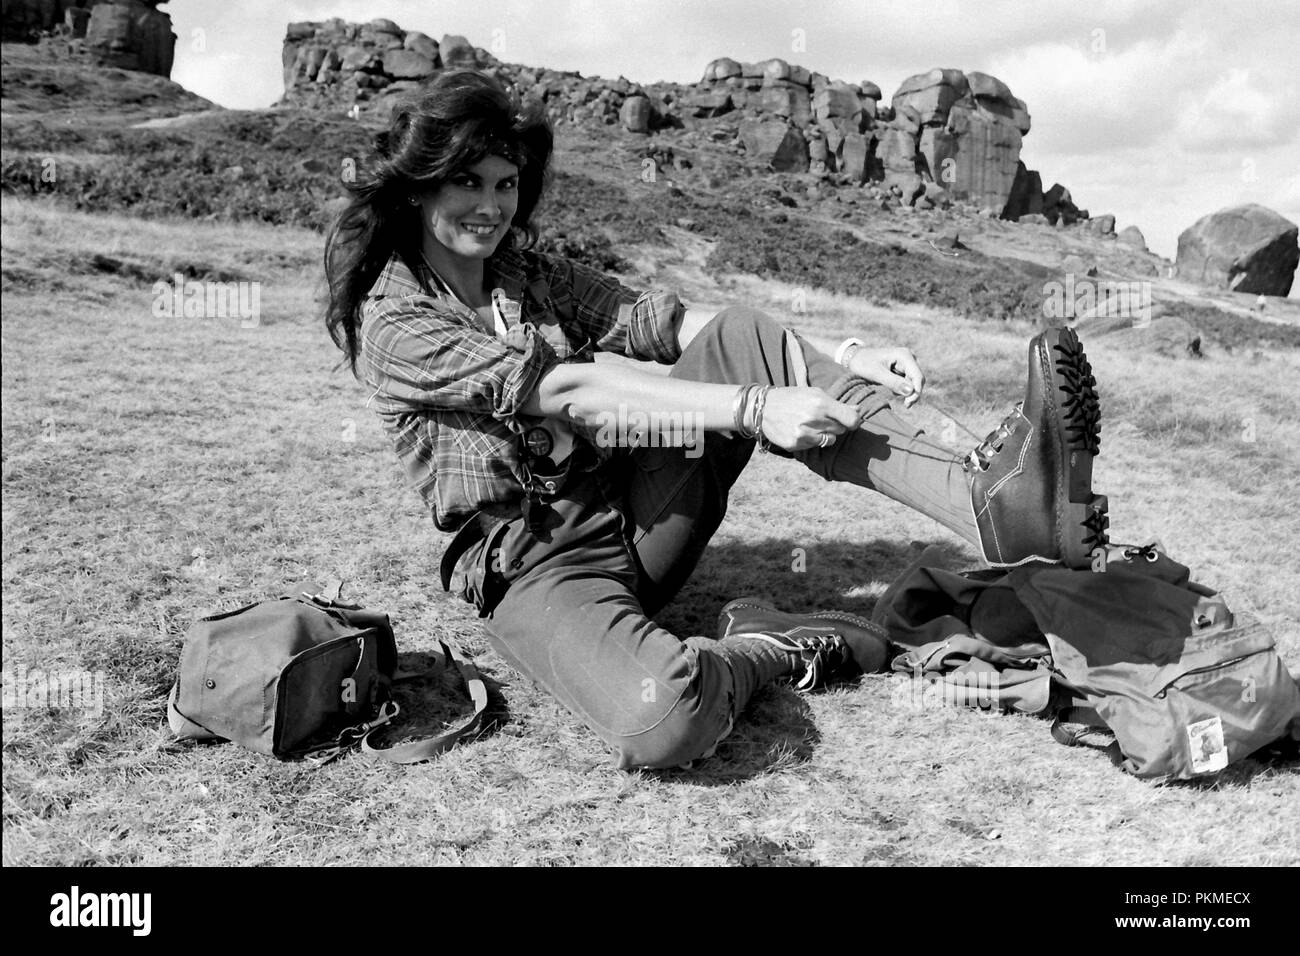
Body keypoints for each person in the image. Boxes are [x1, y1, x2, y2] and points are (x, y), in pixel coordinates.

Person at [324, 70, 1109, 770]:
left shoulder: (525, 273)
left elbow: (660, 322)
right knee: (663, 720)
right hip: (535, 566)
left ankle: (990, 494)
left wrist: (840, 349)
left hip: (630, 508)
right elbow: (566, 390)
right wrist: (756, 408)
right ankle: (766, 643)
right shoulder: (392, 318)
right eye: (469, 180)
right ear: (419, 185)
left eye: (506, 183)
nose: (492, 205)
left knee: (740, 330)